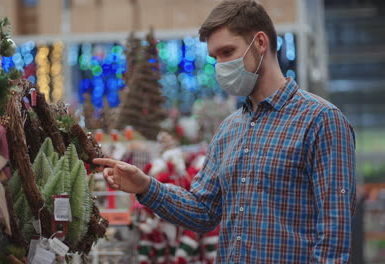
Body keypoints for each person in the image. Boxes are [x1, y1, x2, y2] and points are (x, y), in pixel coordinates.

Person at [94, 0, 356, 263]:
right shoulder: (229, 130)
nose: (220, 66)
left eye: (228, 52)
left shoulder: (321, 120)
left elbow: (334, 231)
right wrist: (146, 186)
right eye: (215, 57)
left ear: (260, 43)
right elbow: (203, 211)